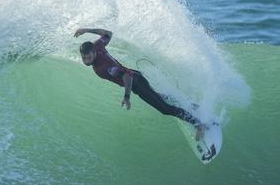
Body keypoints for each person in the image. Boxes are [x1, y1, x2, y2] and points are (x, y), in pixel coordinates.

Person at [74, 27, 207, 140]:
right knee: (157, 96)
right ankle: (190, 104)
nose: (86, 61)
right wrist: (87, 30)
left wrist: (126, 96)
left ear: (94, 53)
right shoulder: (98, 45)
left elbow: (126, 75)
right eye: (84, 58)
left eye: (89, 57)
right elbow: (108, 34)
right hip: (136, 75)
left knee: (165, 109)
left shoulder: (102, 68)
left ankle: (198, 124)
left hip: (135, 82)